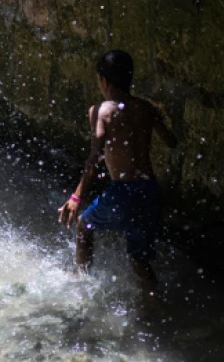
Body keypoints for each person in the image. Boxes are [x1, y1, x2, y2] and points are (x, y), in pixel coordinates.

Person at [58, 50, 178, 295]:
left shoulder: (100, 111)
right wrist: (157, 116)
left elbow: (94, 159)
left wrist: (76, 197)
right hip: (150, 190)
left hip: (123, 191)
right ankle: (154, 302)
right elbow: (172, 142)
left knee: (83, 225)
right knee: (139, 260)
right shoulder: (145, 108)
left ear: (104, 81)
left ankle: (81, 280)